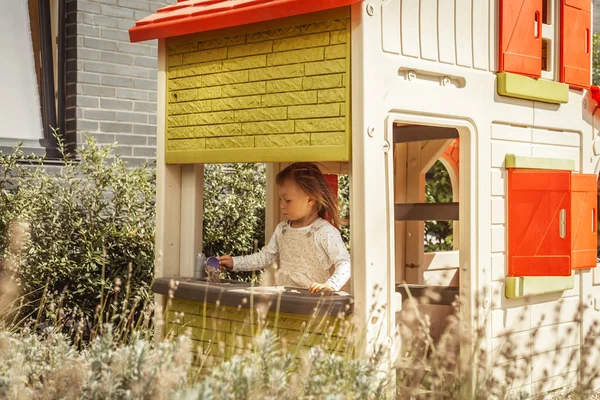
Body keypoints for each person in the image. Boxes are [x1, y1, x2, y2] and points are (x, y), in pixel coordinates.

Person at [218, 162, 351, 293]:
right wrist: (235, 263)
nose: (282, 205)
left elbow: (345, 263)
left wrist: (331, 285)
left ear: (310, 200)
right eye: (280, 199)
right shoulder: (282, 229)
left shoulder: (324, 231)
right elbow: (266, 257)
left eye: (287, 200)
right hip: (283, 300)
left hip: (313, 302)